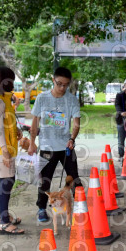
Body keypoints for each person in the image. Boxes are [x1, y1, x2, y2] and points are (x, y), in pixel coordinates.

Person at [28, 66, 83, 223]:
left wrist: (72, 139)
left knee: (74, 179)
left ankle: (80, 207)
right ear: (53, 80)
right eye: (59, 83)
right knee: (45, 180)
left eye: (65, 85)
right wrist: (32, 143)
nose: (62, 88)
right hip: (47, 147)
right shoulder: (42, 98)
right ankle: (41, 208)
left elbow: (76, 123)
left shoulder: (71, 99)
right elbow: (34, 122)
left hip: (66, 146)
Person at [0, 67, 24, 235]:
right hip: (1, 149)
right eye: (11, 80)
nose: (13, 83)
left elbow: (7, 122)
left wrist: (17, 131)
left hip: (6, 147)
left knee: (8, 180)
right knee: (6, 183)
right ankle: (4, 223)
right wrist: (5, 152)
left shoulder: (4, 99)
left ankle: (3, 216)